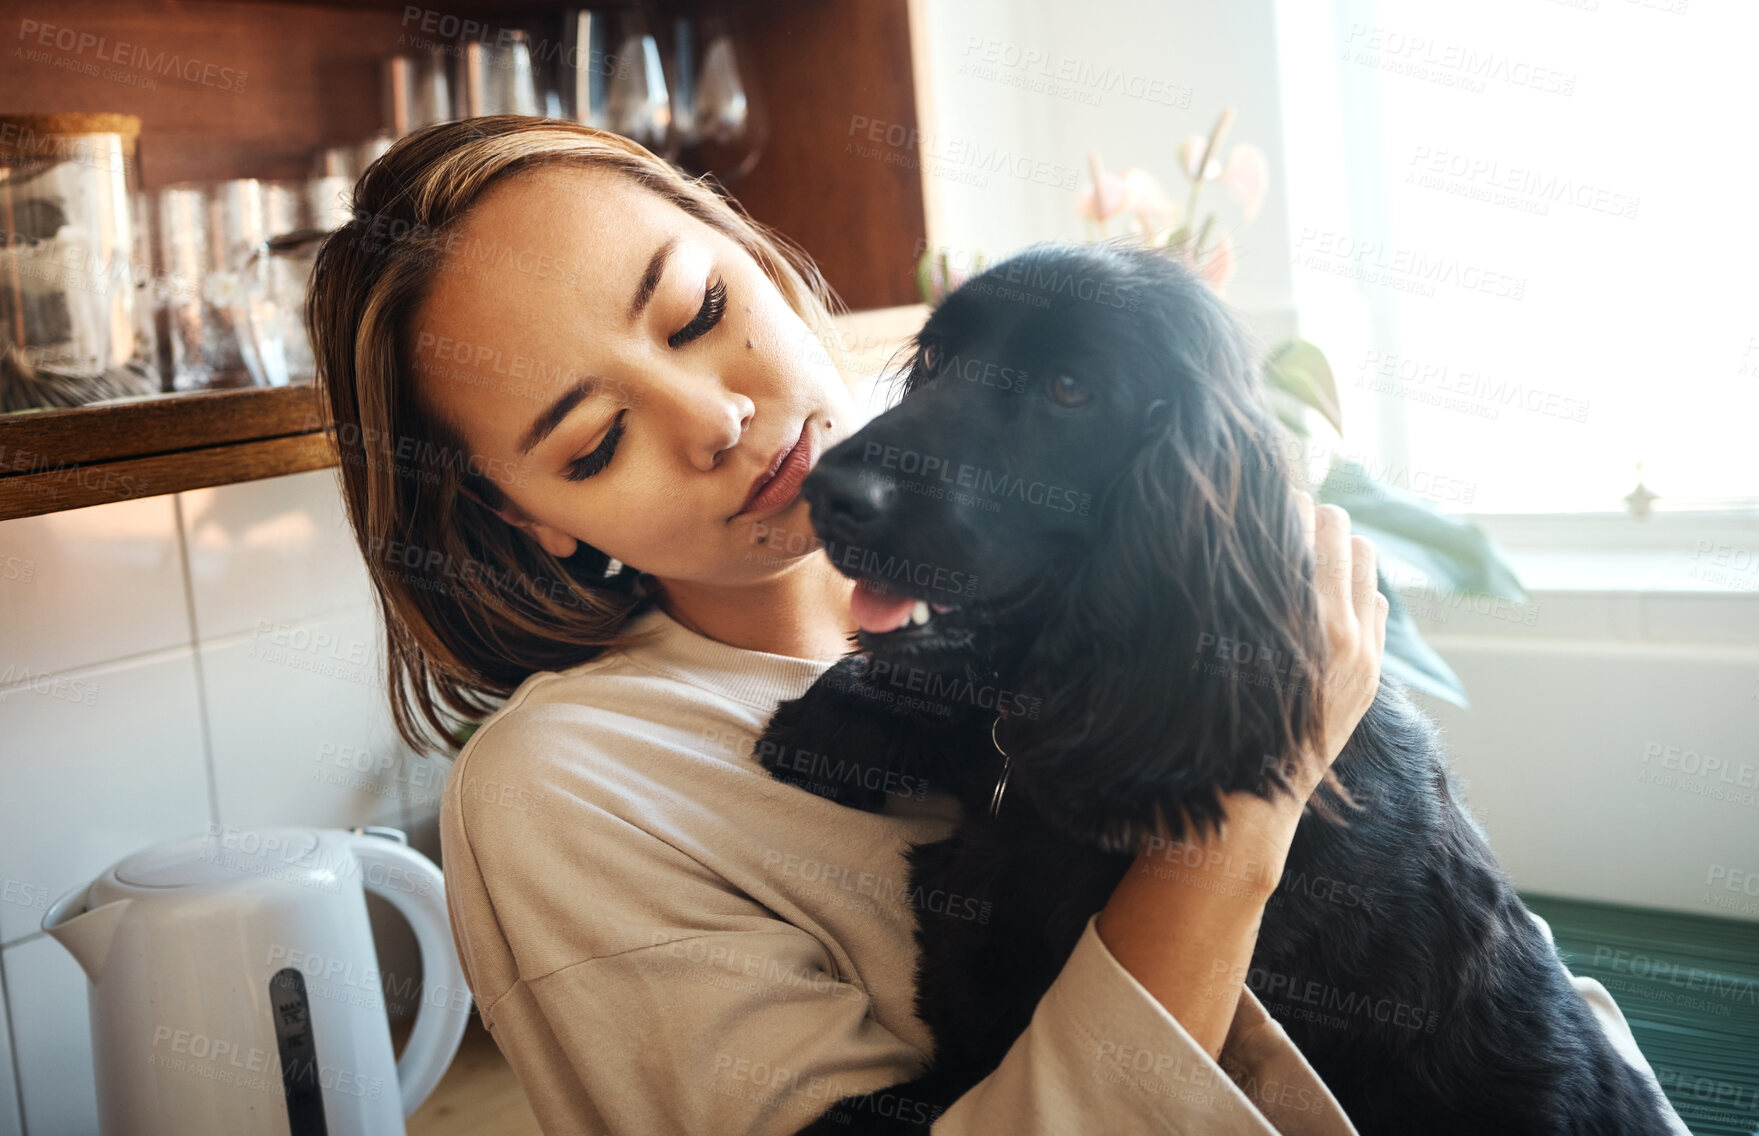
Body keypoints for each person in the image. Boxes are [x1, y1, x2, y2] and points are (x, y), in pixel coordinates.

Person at [305, 116, 1689, 1135]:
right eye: (597, 439)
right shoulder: (569, 790)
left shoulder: (1066, 581)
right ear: (525, 515)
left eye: (702, 309)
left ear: (773, 265)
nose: (715, 418)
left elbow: (1492, 967)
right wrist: (1241, 815)